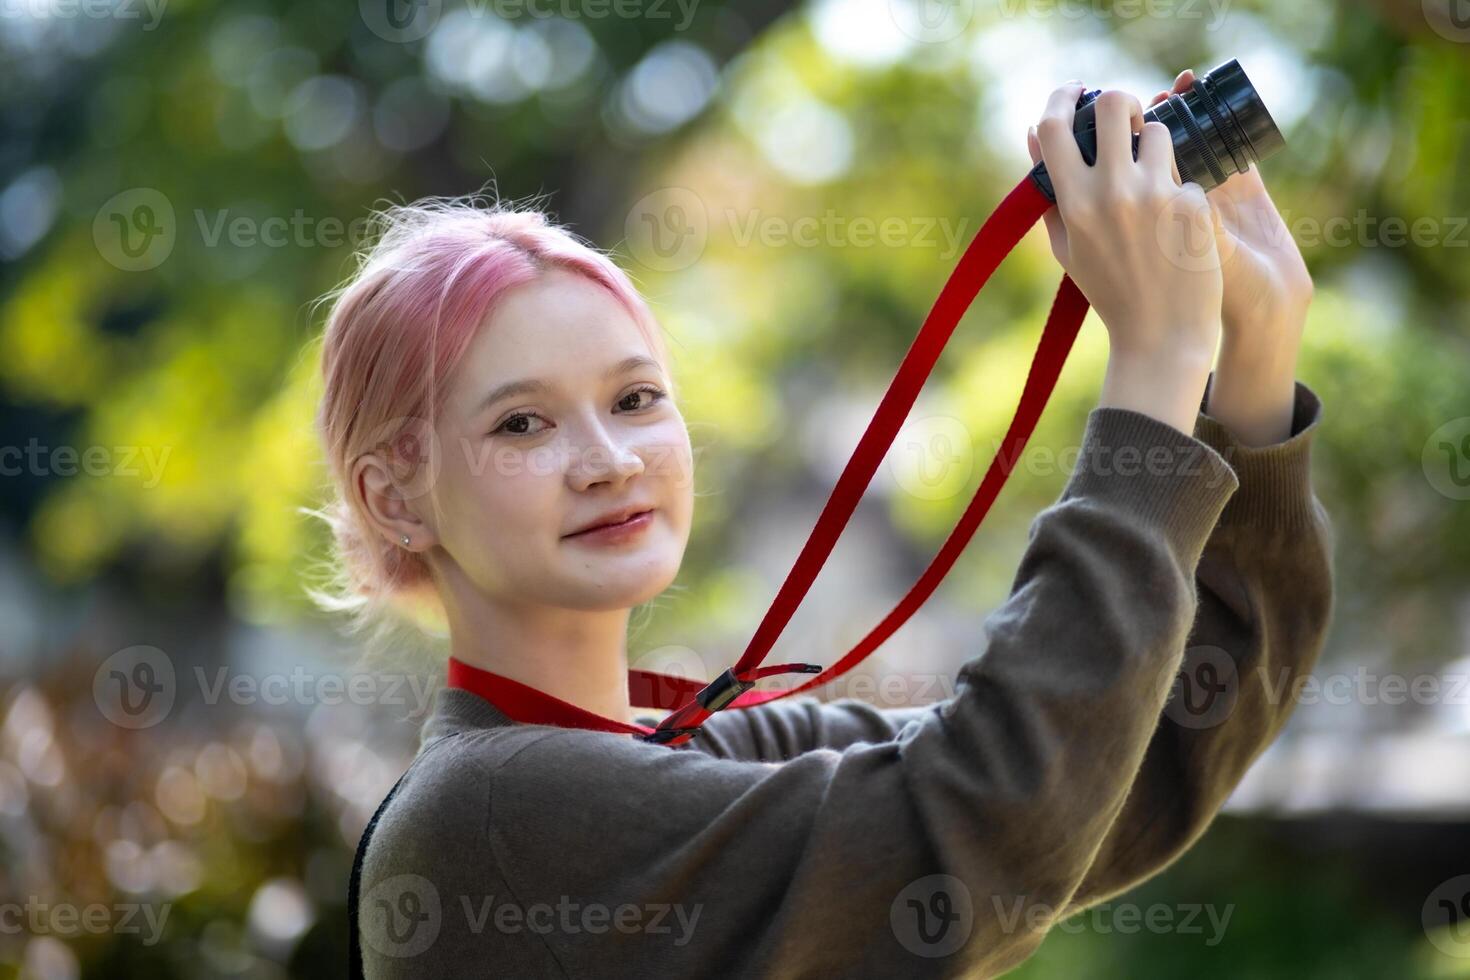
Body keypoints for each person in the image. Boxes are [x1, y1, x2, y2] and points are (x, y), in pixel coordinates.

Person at [313, 70, 1332, 978]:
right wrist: (1154, 363)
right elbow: (982, 825)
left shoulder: (710, 753)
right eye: (522, 421)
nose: (611, 460)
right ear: (395, 495)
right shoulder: (490, 813)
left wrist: (1256, 354)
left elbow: (1120, 770)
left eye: (634, 399)